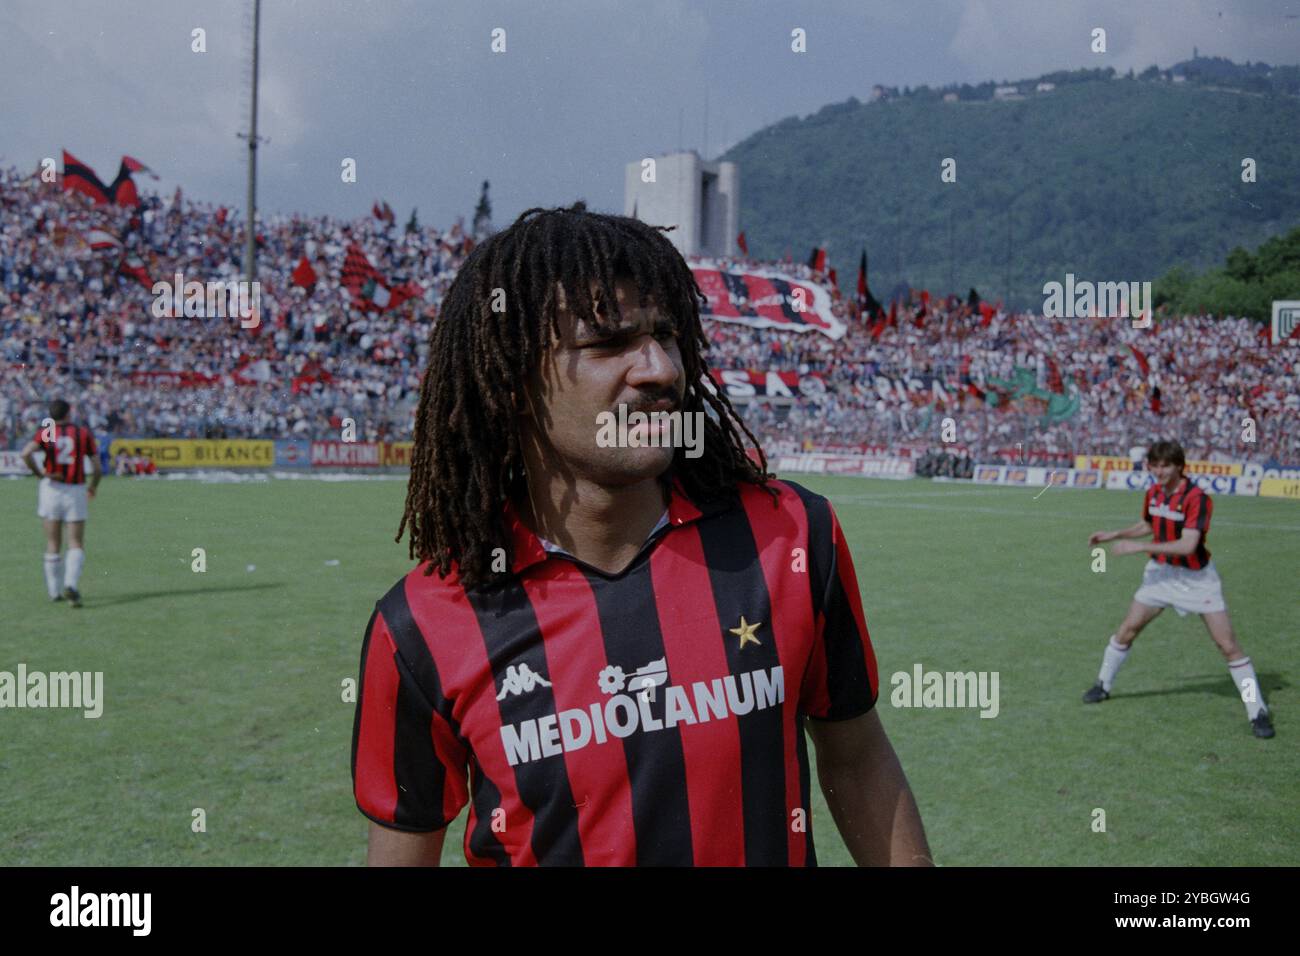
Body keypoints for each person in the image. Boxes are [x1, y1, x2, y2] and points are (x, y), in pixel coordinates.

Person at [351, 203, 932, 866]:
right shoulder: (423, 625)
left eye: (667, 334)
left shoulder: (790, 539)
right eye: (607, 343)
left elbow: (857, 761)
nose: (661, 369)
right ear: (511, 382)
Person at [1082, 440, 1274, 738]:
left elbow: (1188, 545)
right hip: (1161, 574)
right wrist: (1114, 534)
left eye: (1166, 466)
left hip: (1197, 579)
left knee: (1228, 646)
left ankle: (1256, 709)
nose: (1159, 471)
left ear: (1180, 466)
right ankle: (1102, 685)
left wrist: (1138, 547)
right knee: (1127, 629)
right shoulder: (1154, 492)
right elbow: (1149, 523)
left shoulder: (1197, 497)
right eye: (1154, 465)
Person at [19, 399, 102, 608]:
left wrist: (40, 474)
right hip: (75, 490)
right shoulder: (82, 433)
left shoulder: (48, 431)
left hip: (51, 489)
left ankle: (54, 592)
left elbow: (25, 453)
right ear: (69, 412)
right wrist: (93, 487)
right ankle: (71, 584)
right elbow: (97, 467)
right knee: (75, 541)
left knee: (53, 543)